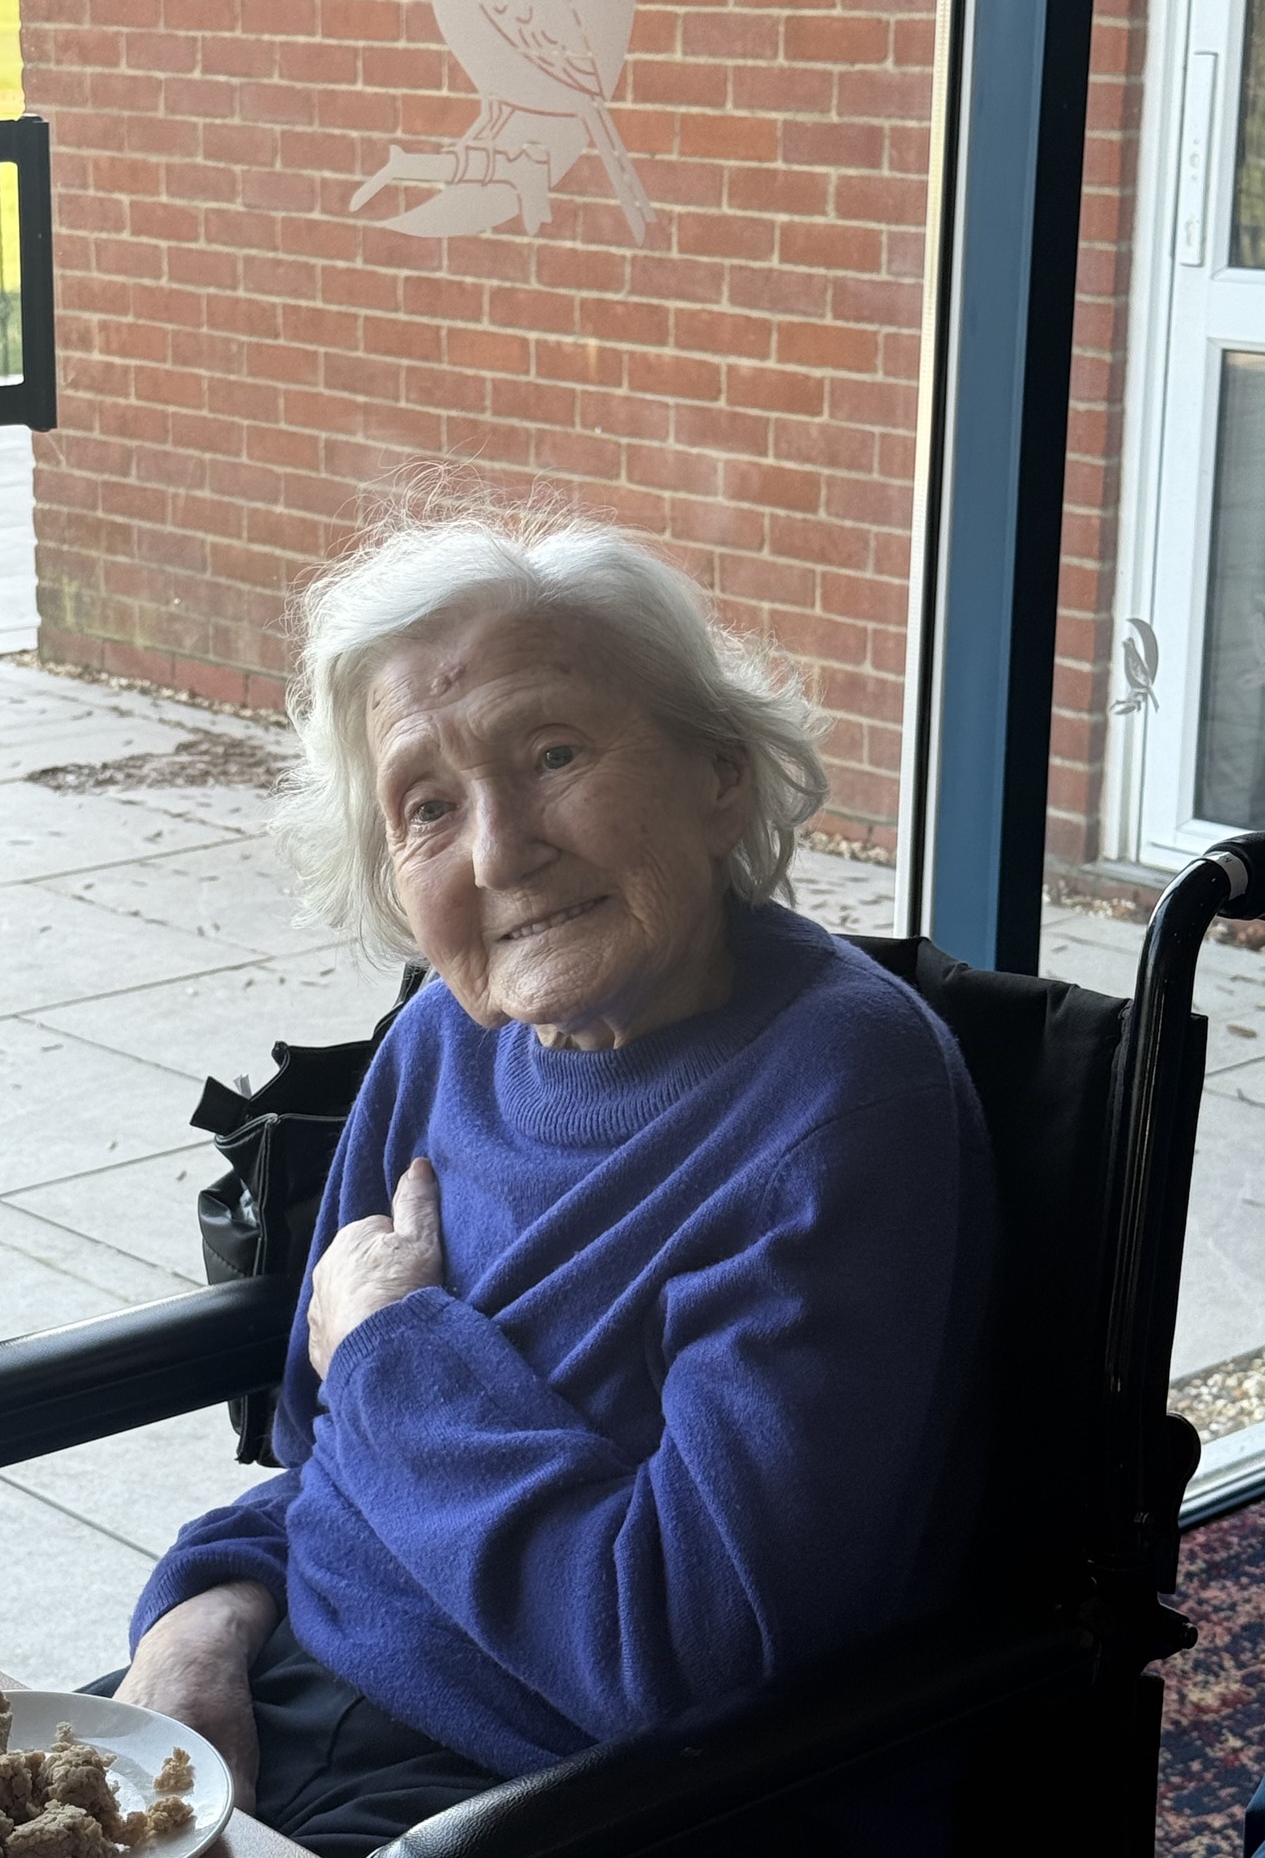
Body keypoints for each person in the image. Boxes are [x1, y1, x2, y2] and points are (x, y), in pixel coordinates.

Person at [111, 509, 996, 1855]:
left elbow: (686, 1647)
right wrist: (201, 1617)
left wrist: (393, 1344)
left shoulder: (839, 1103)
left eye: (554, 755)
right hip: (284, 1694)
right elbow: (331, 1459)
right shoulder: (444, 1039)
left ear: (720, 774)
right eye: (427, 807)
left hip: (540, 1796)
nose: (498, 850)